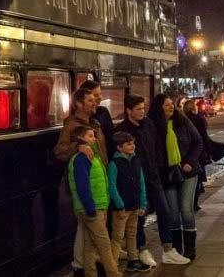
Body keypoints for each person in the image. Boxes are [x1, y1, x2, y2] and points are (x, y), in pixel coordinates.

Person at [55, 88, 108, 276]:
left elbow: (102, 154)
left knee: (89, 228)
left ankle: (87, 264)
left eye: (95, 100)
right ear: (78, 103)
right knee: (85, 226)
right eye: (90, 100)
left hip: (99, 181)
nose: (95, 103)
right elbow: (60, 151)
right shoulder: (71, 125)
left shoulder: (95, 124)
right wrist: (78, 146)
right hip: (84, 182)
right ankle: (81, 265)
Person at [114, 95, 171, 266]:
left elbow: (156, 145)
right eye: (138, 109)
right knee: (139, 217)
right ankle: (142, 249)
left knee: (164, 210)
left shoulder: (148, 124)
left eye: (143, 108)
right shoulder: (123, 130)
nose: (142, 111)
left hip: (153, 176)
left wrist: (158, 166)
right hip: (137, 179)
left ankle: (168, 248)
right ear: (129, 111)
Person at [148, 94, 202, 260]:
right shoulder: (153, 126)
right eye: (166, 105)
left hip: (187, 172)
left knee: (186, 210)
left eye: (172, 104)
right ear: (159, 108)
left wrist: (190, 162)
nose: (171, 107)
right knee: (172, 212)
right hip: (168, 175)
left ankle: (190, 248)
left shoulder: (182, 121)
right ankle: (177, 249)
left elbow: (197, 141)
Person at [68, 125, 122, 277]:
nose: (95, 139)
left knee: (89, 246)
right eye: (90, 136)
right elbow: (83, 185)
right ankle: (113, 273)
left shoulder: (88, 156)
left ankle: (90, 273)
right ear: (81, 139)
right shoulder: (82, 158)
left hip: (92, 206)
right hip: (93, 208)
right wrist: (91, 206)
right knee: (104, 245)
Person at [107, 131, 152, 272]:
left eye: (133, 143)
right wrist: (120, 204)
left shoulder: (136, 160)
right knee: (118, 238)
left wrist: (142, 203)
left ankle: (133, 260)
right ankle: (112, 267)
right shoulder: (114, 163)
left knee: (132, 234)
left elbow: (141, 182)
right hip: (121, 208)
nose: (132, 146)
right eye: (128, 144)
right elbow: (112, 185)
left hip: (134, 206)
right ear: (119, 147)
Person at [182, 100, 211, 212]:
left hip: (186, 153)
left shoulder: (182, 119)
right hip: (198, 153)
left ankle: (187, 202)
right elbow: (203, 137)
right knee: (197, 178)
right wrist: (208, 151)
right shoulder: (199, 119)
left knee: (187, 178)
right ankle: (194, 203)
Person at [80, 80, 114, 149]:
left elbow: (111, 135)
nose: (100, 98)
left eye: (100, 94)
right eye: (95, 95)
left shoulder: (103, 111)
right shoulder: (78, 118)